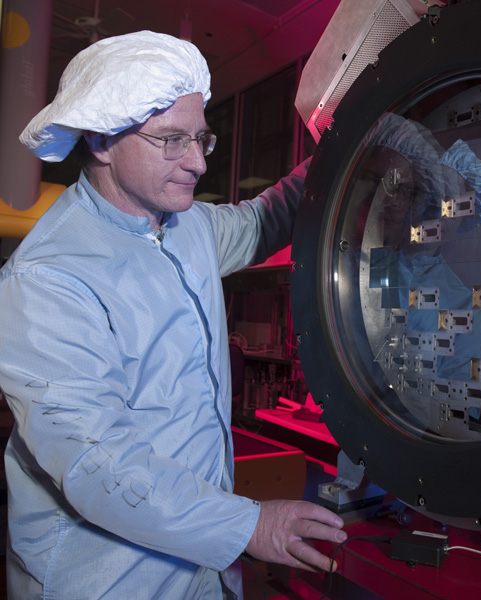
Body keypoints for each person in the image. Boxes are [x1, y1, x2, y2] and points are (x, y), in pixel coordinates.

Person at [0, 30, 346, 599]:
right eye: (171, 140)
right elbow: (99, 465)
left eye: (203, 138)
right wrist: (248, 524)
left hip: (203, 567)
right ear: (103, 142)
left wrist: (345, 145)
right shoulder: (48, 280)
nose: (199, 161)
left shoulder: (189, 230)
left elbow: (272, 215)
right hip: (108, 580)